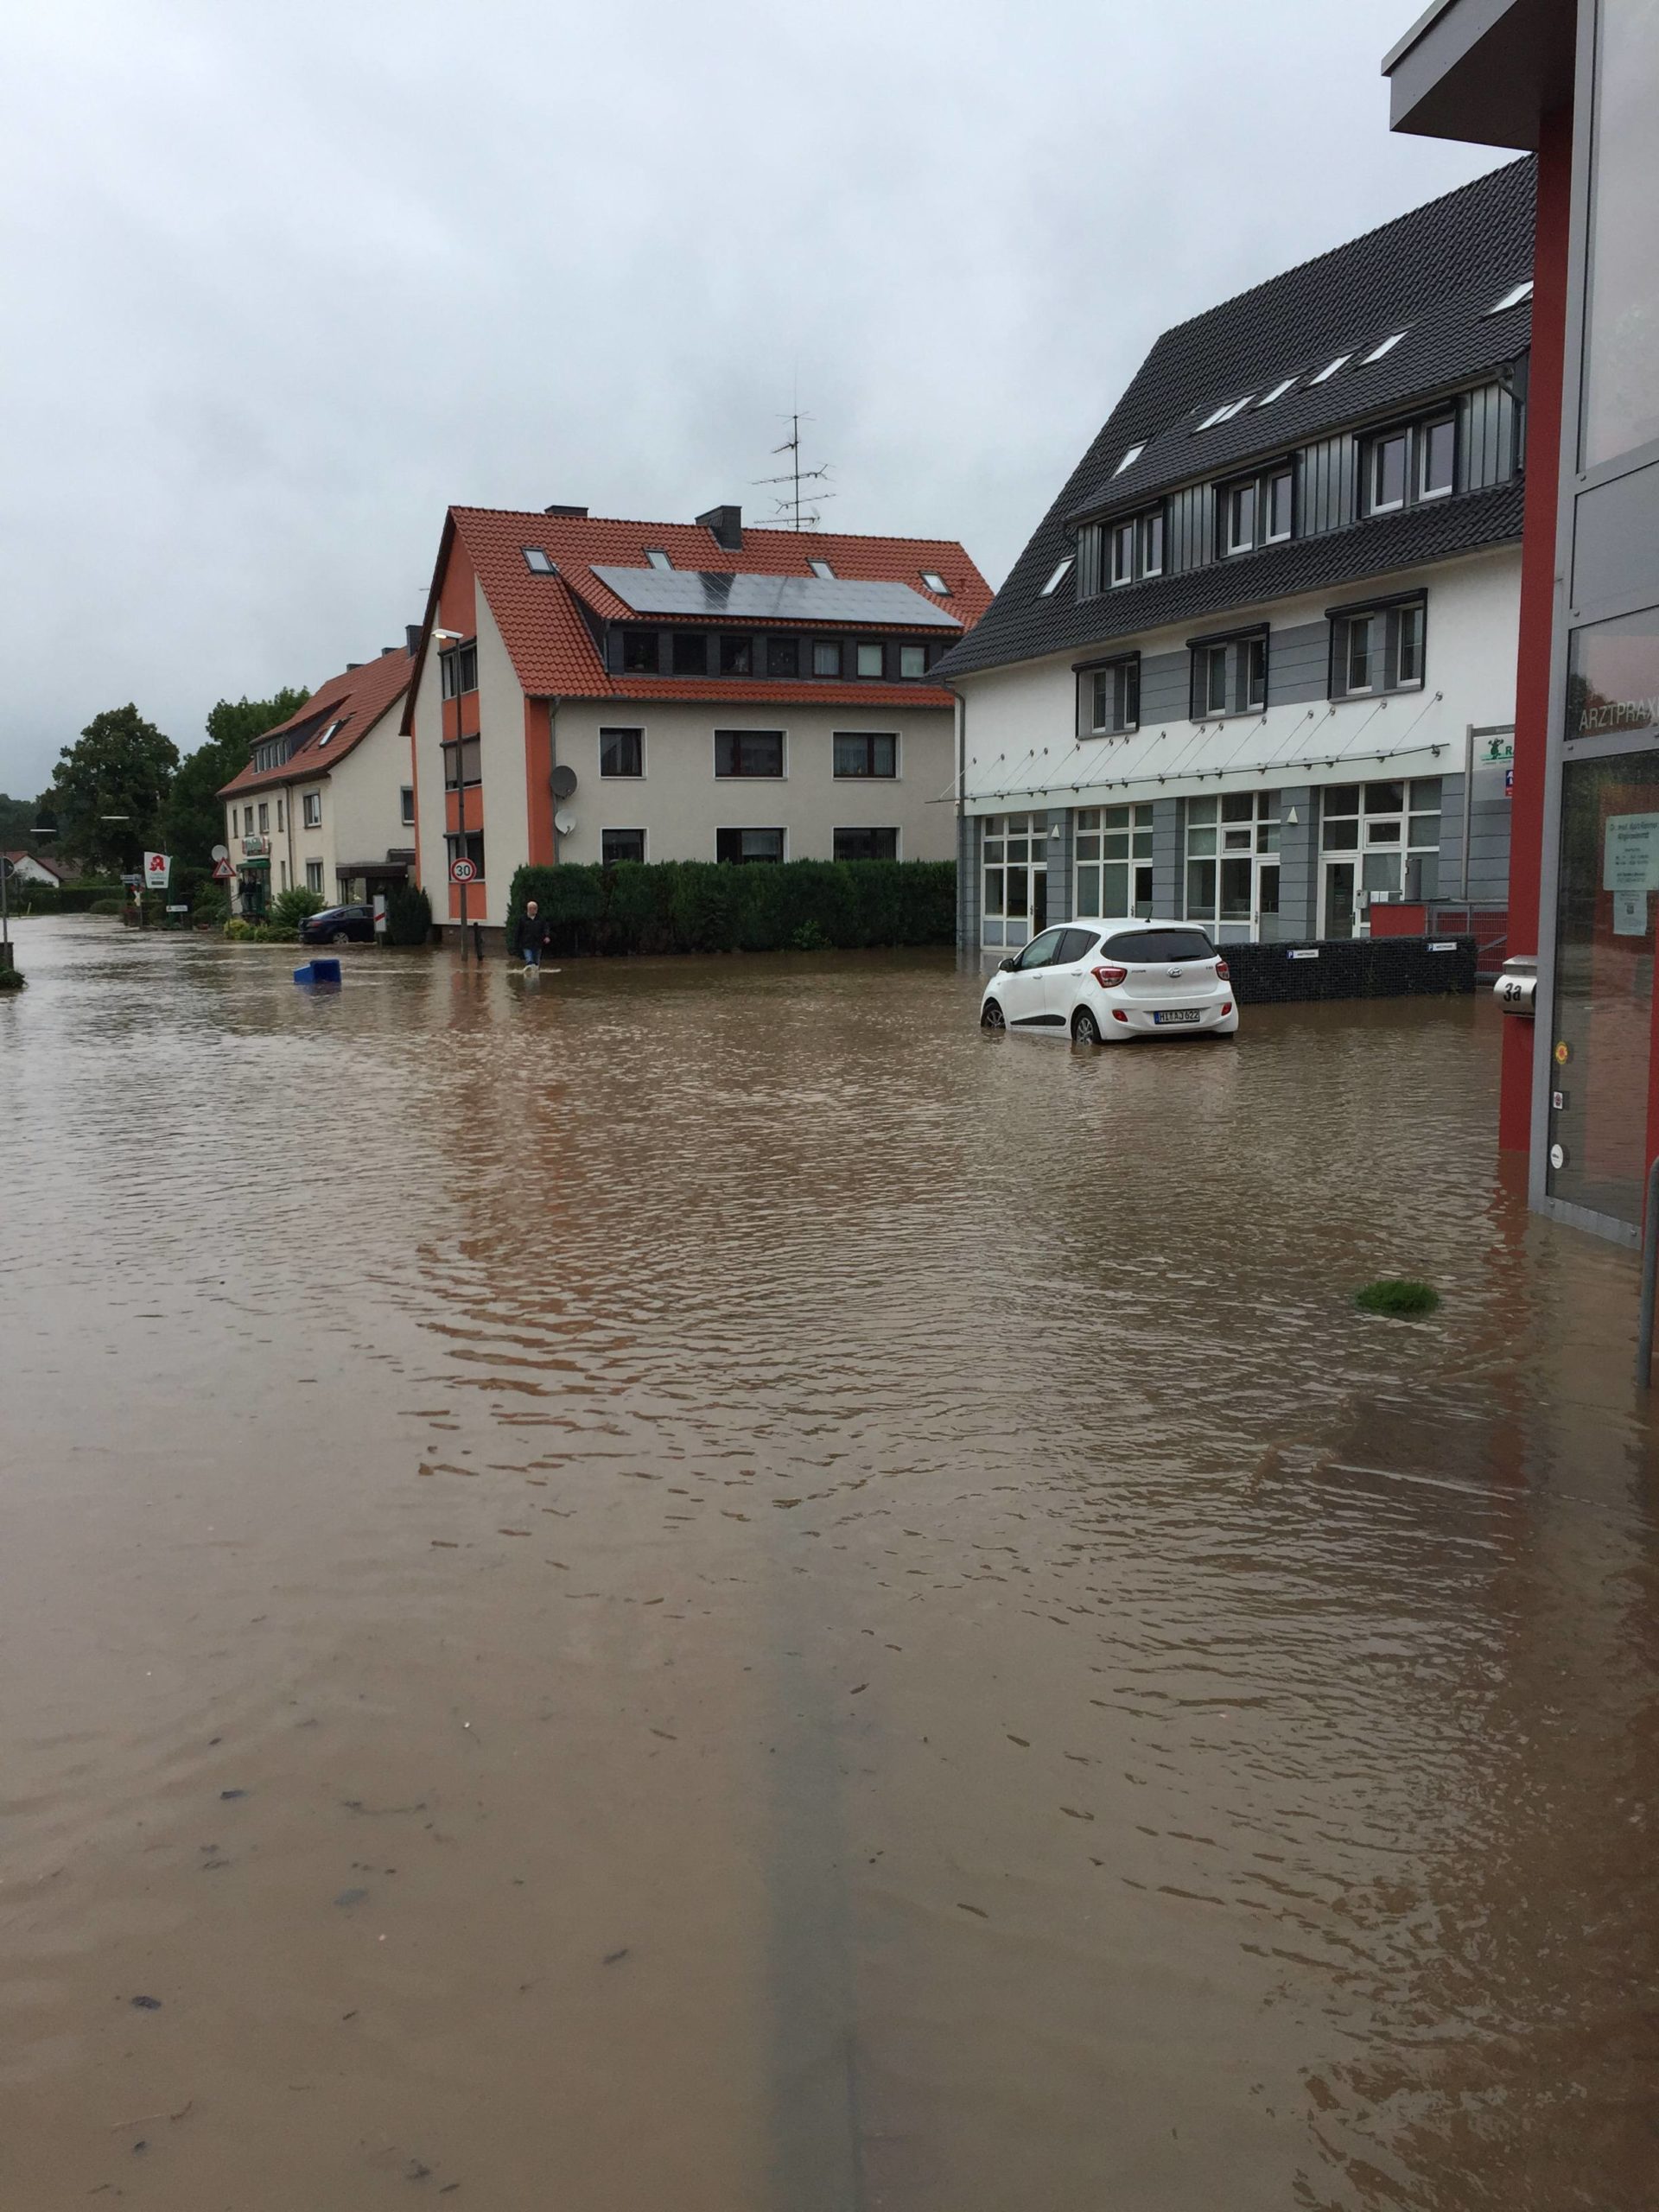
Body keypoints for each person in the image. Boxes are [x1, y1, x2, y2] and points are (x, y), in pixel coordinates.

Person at [513, 899, 551, 972]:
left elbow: (546, 928)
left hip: (538, 944)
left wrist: (547, 936)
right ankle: (528, 981)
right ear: (529, 909)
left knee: (536, 965)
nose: (534, 910)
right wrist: (517, 943)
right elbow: (518, 931)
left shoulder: (541, 919)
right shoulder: (523, 919)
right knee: (530, 962)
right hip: (526, 944)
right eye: (533, 908)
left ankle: (535, 980)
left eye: (535, 908)